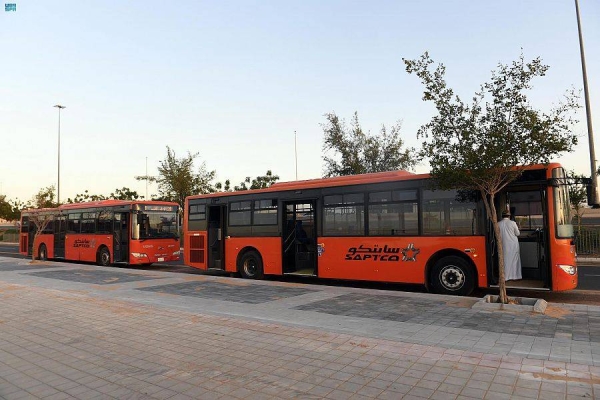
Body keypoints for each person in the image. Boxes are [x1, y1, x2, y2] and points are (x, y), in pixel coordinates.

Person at [498, 210, 522, 281]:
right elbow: (517, 234)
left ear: (502, 216)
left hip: (503, 245)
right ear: (509, 216)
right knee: (515, 260)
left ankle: (506, 277)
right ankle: (515, 276)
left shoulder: (498, 223)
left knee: (505, 260)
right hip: (513, 245)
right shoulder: (513, 223)